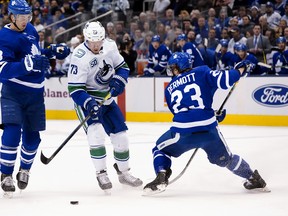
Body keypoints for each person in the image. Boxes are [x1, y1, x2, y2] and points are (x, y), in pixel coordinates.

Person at [143, 52, 270, 195]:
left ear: (178, 67)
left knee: (159, 149)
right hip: (209, 130)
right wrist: (241, 69)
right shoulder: (202, 71)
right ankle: (253, 178)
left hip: (183, 133)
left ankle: (161, 176)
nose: (172, 71)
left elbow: (183, 112)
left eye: (173, 68)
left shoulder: (169, 88)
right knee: (227, 159)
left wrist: (209, 114)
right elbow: (226, 80)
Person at [0, 0, 69, 197]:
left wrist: (51, 51)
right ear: (11, 16)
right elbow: (2, 70)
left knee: (32, 140)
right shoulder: (3, 37)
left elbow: (34, 53)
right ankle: (5, 175)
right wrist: (27, 64)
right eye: (21, 17)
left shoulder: (30, 29)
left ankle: (25, 170)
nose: (25, 21)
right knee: (12, 134)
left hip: (36, 94)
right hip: (13, 93)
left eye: (28, 17)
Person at [67, 21, 143, 192]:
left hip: (107, 100)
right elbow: (74, 89)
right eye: (92, 41)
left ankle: (124, 173)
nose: (96, 45)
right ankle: (101, 173)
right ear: (86, 39)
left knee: (121, 137)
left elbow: (122, 67)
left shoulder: (109, 46)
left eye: (99, 41)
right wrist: (89, 103)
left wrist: (118, 81)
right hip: (88, 100)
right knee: (96, 134)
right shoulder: (78, 56)